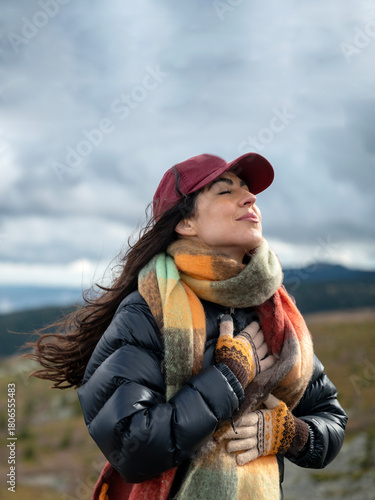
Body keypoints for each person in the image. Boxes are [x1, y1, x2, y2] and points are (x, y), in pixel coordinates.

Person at [29, 152, 348, 500]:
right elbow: (130, 446)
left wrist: (293, 435)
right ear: (186, 223)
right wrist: (228, 379)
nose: (250, 197)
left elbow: (330, 416)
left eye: (247, 189)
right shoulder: (147, 310)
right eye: (225, 191)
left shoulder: (274, 314)